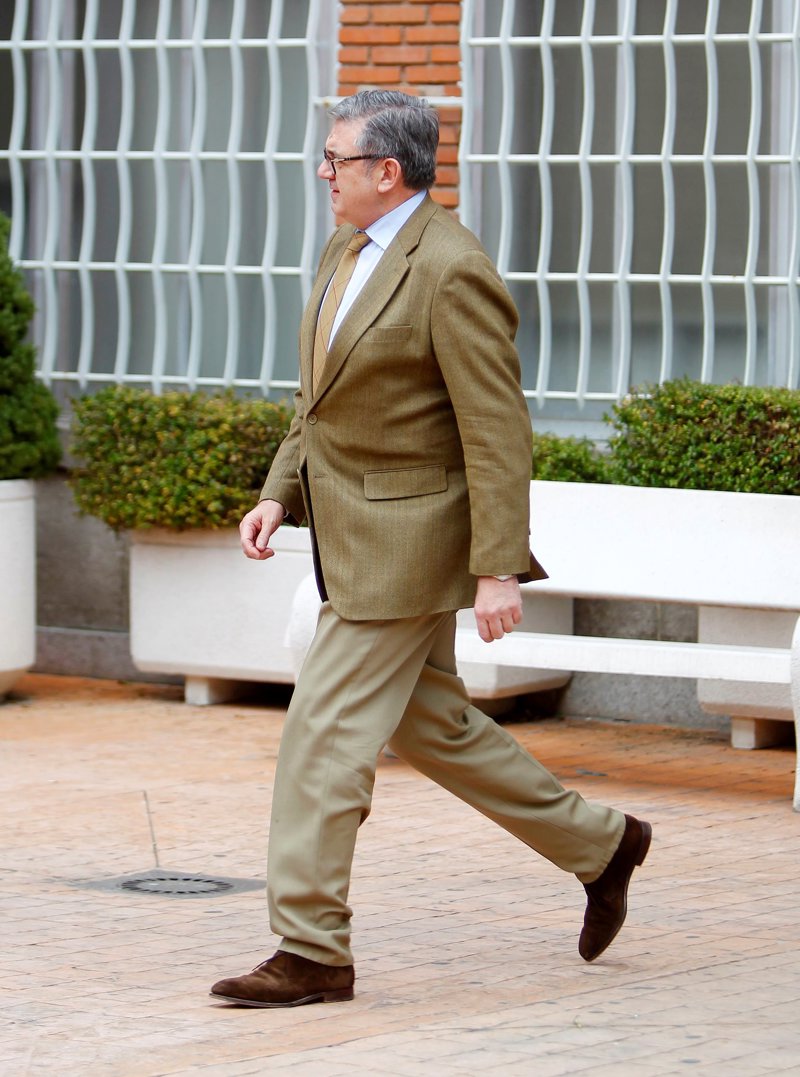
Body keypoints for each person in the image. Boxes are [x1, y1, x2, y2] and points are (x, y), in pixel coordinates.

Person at [210, 90, 651, 1009]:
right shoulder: (344, 250)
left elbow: (497, 432)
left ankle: (312, 948)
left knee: (320, 740)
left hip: (406, 549)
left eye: (335, 158)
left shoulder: (452, 269)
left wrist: (498, 567)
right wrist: (279, 492)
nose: (322, 173)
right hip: (350, 535)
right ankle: (603, 843)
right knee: (433, 726)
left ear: (388, 171)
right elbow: (318, 401)